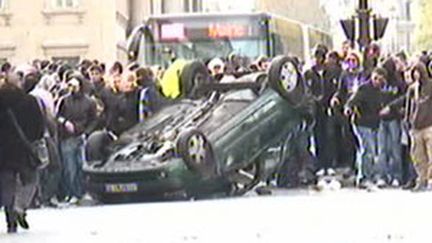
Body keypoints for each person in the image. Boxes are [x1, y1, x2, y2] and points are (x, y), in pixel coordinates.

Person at [0, 73, 45, 233]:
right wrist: (36, 140)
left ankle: (10, 221)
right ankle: (21, 206)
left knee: (7, 185)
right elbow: (40, 126)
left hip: (4, 152)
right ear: (19, 84)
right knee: (31, 179)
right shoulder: (30, 101)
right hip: (25, 149)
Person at [382, 62, 432, 191]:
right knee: (417, 156)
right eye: (414, 72)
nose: (416, 74)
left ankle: (430, 180)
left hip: (429, 125)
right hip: (415, 127)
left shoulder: (430, 86)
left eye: (418, 71)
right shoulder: (412, 89)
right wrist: (408, 121)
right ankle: (422, 180)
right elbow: (409, 106)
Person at [56, 74, 98, 202]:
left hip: (81, 136)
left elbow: (94, 120)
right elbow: (58, 116)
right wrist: (64, 123)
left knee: (81, 166)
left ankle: (81, 192)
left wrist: (86, 132)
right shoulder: (64, 100)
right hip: (67, 137)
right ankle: (72, 192)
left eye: (74, 86)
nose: (72, 88)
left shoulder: (89, 102)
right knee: (69, 168)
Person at [344, 67, 387, 187]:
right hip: (361, 123)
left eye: (380, 79)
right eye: (375, 78)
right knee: (368, 150)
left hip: (373, 124)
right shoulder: (364, 88)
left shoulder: (381, 90)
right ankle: (363, 178)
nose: (377, 81)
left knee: (366, 151)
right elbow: (353, 100)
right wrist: (348, 108)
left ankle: (366, 175)